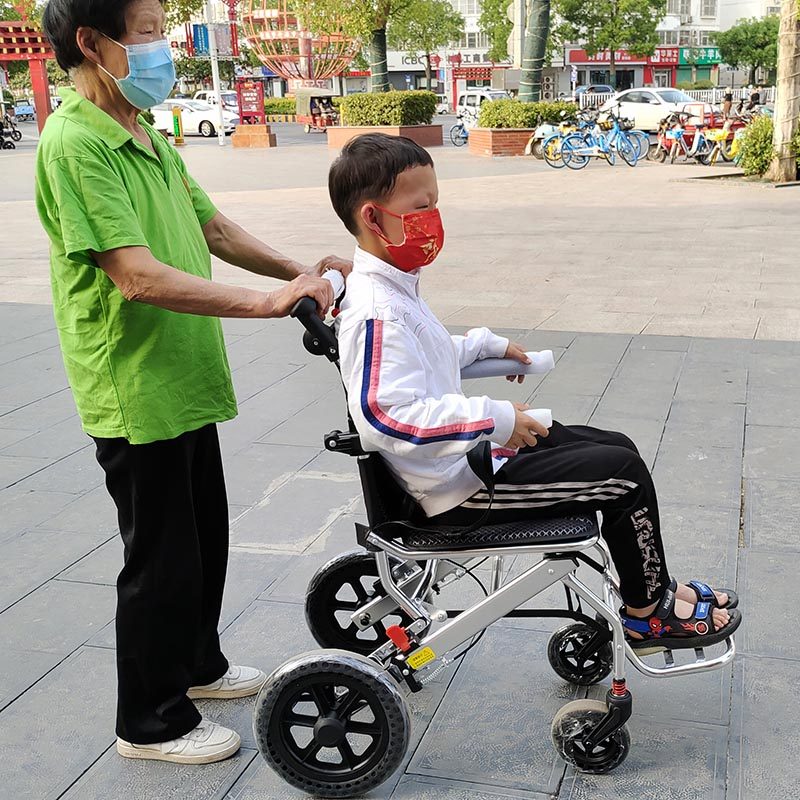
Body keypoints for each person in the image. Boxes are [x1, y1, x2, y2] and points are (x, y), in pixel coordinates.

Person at [35, 0, 349, 766]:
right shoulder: (76, 143)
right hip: (134, 384)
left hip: (181, 373)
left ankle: (198, 666)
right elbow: (136, 276)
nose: (161, 46)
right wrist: (267, 304)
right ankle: (149, 721)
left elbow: (213, 229)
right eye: (146, 32)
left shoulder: (144, 132)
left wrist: (298, 272)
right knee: (159, 557)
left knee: (202, 537)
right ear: (92, 41)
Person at [330, 133, 742, 653]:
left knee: (617, 445)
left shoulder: (393, 286)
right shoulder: (376, 310)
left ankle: (652, 585)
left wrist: (486, 346)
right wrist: (496, 418)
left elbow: (425, 354)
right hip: (455, 488)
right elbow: (384, 416)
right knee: (623, 476)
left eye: (435, 204)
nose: (433, 218)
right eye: (421, 207)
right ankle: (646, 617)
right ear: (373, 218)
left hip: (465, 459)